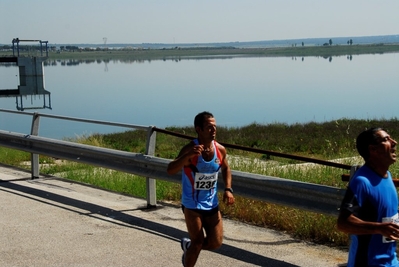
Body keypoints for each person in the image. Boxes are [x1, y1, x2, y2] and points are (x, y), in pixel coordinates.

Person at [167, 111, 235, 267]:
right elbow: (170, 169)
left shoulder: (220, 149)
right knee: (198, 242)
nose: (214, 130)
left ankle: (188, 247)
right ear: (199, 129)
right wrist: (186, 156)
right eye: (209, 127)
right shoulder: (190, 149)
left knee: (215, 243)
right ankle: (191, 251)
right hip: (192, 205)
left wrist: (228, 189)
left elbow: (226, 168)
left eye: (215, 127)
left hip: (211, 203)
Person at [337, 127, 399, 267]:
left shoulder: (386, 176)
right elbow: (343, 223)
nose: (394, 142)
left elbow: (385, 214)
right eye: (386, 140)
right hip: (368, 263)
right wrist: (378, 228)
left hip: (391, 261)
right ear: (373, 149)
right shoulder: (362, 182)